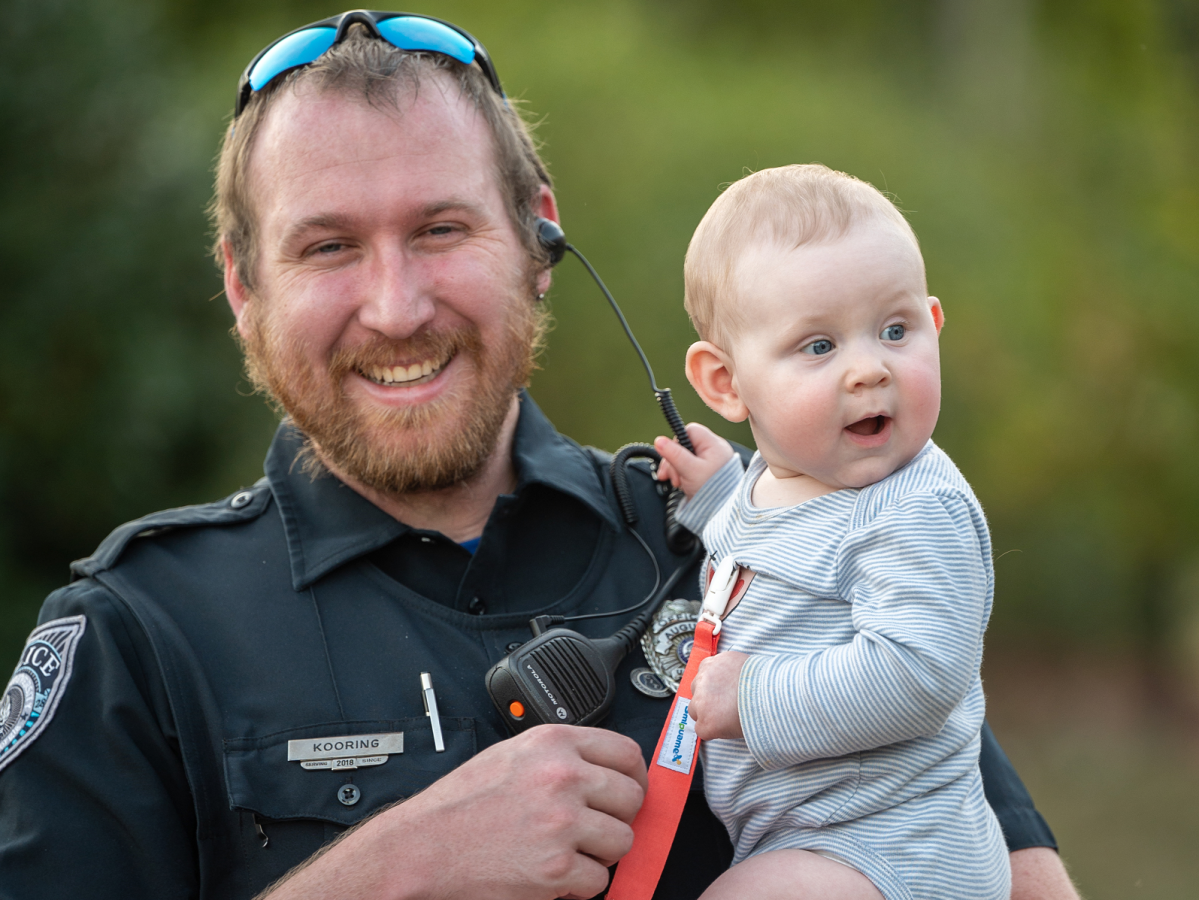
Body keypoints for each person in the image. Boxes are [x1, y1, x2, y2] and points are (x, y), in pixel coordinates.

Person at [0, 11, 1077, 900]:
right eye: (328, 246)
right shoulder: (136, 640)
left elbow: (1008, 876)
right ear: (244, 287)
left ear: (538, 240)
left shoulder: (768, 528)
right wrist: (393, 870)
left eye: (441, 230)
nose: (395, 306)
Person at [652, 164, 1008, 899]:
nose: (868, 369)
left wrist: (755, 699)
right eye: (819, 347)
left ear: (933, 325)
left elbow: (918, 673)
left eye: (894, 330)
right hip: (820, 840)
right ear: (725, 384)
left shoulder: (913, 507)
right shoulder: (789, 484)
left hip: (891, 846)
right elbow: (782, 552)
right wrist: (720, 493)